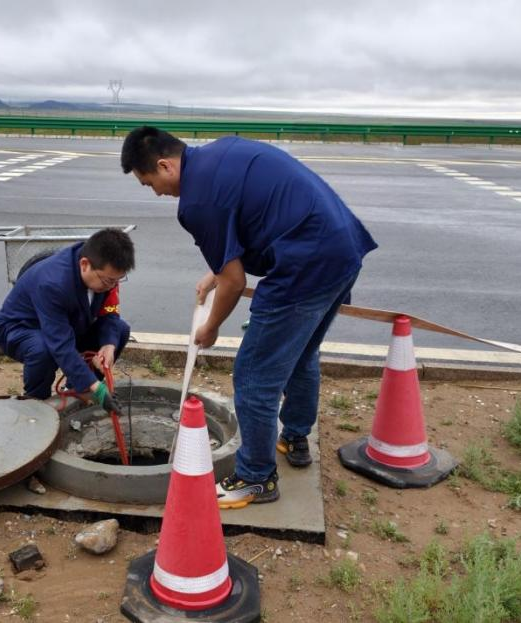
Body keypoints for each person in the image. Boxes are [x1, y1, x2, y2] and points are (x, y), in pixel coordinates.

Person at [121, 127, 377, 509]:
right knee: (300, 354)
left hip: (303, 267)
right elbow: (247, 226)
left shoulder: (196, 201)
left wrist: (211, 327)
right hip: (342, 249)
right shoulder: (222, 153)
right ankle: (295, 437)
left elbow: (235, 281)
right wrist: (217, 271)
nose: (156, 192)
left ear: (164, 166)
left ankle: (256, 477)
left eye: (149, 183)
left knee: (254, 375)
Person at [0, 228, 134, 413]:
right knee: (43, 349)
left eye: (117, 280)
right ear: (84, 264)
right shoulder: (53, 283)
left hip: (65, 324)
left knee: (119, 330)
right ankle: (36, 405)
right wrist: (97, 388)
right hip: (20, 327)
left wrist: (108, 345)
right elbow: (59, 343)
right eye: (108, 281)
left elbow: (110, 314)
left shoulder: (106, 276)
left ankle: (77, 391)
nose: (112, 286)